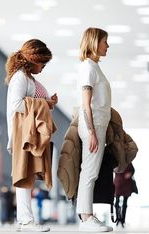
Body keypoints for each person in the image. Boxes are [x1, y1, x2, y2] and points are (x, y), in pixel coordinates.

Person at [5, 39, 57, 232]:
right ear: (34, 59)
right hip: (22, 133)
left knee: (27, 175)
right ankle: (26, 221)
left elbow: (29, 102)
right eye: (42, 63)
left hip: (28, 132)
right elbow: (17, 105)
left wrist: (47, 103)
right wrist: (44, 104)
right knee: (24, 175)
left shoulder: (28, 78)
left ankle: (23, 220)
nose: (43, 68)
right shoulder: (20, 78)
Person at [76, 27, 113, 232]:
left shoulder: (94, 67)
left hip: (98, 124)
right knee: (89, 172)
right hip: (93, 125)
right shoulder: (88, 67)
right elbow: (86, 103)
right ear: (94, 42)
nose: (107, 45)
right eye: (104, 41)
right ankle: (86, 217)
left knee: (91, 172)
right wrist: (91, 132)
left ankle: (86, 215)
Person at [114, 163, 137, 227]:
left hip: (126, 184)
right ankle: (118, 218)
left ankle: (122, 220)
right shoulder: (117, 160)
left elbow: (132, 170)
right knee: (116, 203)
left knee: (124, 203)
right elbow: (114, 169)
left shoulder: (128, 161)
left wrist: (129, 174)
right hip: (118, 183)